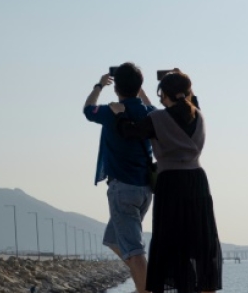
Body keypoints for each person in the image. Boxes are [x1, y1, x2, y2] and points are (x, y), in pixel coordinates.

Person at [116, 71, 222, 293]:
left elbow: (129, 132)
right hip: (197, 181)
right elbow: (191, 100)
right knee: (201, 240)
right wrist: (178, 77)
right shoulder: (199, 116)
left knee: (171, 241)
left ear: (163, 94)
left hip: (171, 183)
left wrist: (120, 112)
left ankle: (179, 287)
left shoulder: (158, 119)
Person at [83, 62, 156, 293]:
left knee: (134, 250)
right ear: (139, 86)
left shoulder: (111, 111)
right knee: (113, 240)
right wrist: (140, 91)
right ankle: (142, 280)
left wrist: (99, 85)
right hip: (144, 190)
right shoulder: (150, 114)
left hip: (122, 189)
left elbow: (88, 109)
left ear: (116, 88)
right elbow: (149, 105)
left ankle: (146, 287)